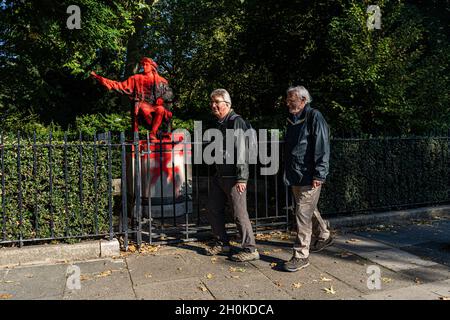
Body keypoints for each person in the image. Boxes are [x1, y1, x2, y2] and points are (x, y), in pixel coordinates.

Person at [204, 89, 260, 262]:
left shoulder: (236, 122)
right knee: (213, 209)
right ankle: (222, 243)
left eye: (217, 102)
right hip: (220, 175)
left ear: (227, 104)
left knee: (239, 213)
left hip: (234, 177)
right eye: (212, 102)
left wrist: (242, 178)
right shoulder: (220, 123)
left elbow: (242, 151)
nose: (213, 105)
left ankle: (250, 249)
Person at [282, 86, 333, 272]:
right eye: (288, 99)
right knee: (307, 209)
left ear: (303, 100)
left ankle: (301, 255)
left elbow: (321, 145)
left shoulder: (314, 116)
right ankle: (324, 234)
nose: (288, 102)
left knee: (302, 213)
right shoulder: (293, 118)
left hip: (310, 174)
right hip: (296, 174)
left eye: (292, 99)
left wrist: (320, 173)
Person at [91, 57, 173, 138]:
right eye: (143, 65)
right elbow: (119, 85)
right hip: (142, 104)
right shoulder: (135, 78)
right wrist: (100, 78)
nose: (144, 67)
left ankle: (153, 133)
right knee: (144, 109)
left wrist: (162, 98)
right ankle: (158, 133)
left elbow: (169, 92)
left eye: (146, 65)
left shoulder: (161, 80)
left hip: (155, 105)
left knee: (161, 109)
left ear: (152, 67)